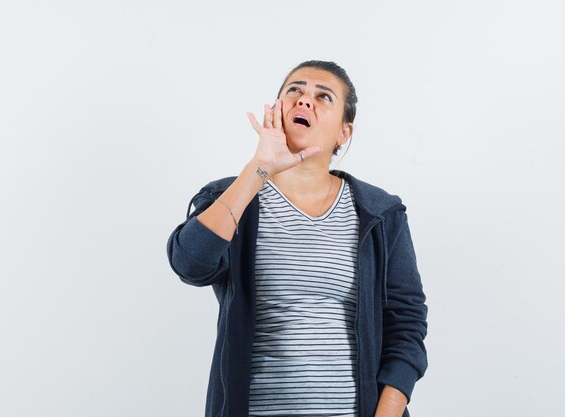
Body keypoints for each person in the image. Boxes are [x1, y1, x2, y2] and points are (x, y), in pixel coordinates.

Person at [166, 60, 428, 417]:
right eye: (295, 91)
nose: (305, 100)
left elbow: (406, 322)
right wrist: (259, 168)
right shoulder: (232, 197)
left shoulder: (380, 213)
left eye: (324, 97)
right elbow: (190, 264)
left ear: (343, 133)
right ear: (277, 111)